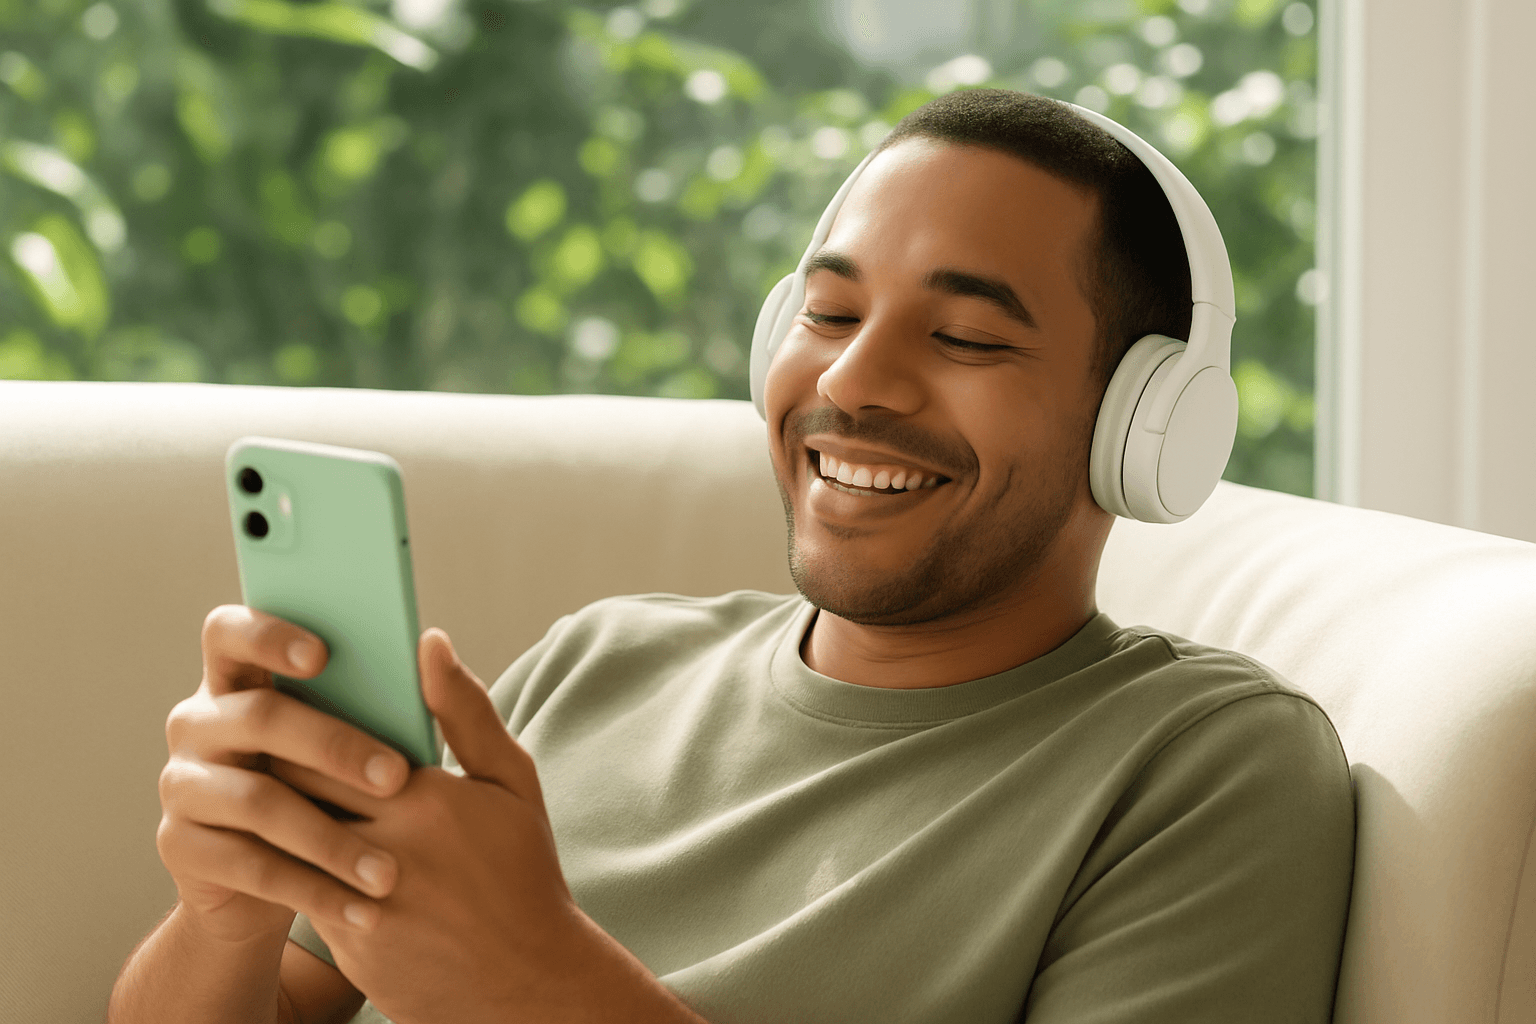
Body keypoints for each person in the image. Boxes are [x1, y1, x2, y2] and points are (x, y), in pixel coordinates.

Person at [108, 89, 1354, 1024]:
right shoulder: (600, 658)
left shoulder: (1205, 765)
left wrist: (533, 977)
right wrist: (226, 913)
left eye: (967, 335)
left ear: (1144, 425)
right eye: (828, 313)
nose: (855, 380)